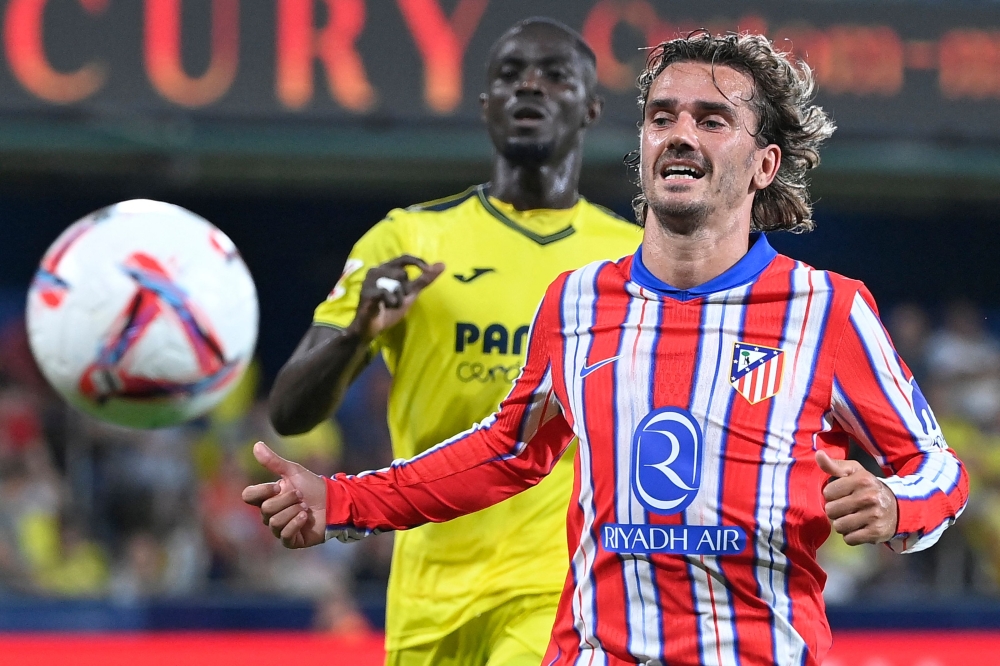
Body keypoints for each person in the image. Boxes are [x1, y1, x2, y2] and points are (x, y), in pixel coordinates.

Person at [248, 32, 969, 665]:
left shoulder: (827, 310)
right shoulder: (578, 301)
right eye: (663, 117)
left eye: (712, 120)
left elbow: (936, 469)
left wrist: (895, 503)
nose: (679, 133)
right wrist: (342, 500)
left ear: (764, 165)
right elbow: (505, 451)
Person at [248, 17, 642, 666]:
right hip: (427, 586)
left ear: (591, 107)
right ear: (486, 105)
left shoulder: (629, 260)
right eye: (511, 76)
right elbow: (291, 414)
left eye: (555, 77)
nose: (531, 89)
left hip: (560, 582)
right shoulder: (405, 242)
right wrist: (357, 332)